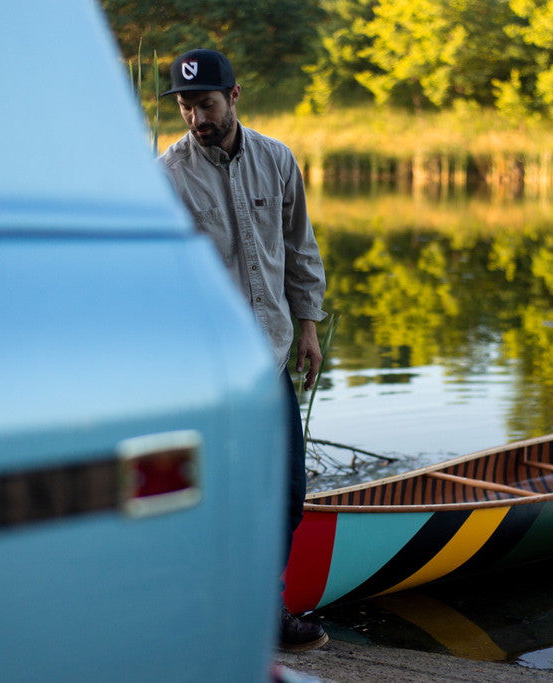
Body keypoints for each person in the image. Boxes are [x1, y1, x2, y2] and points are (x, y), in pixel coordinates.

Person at [157, 48, 329, 653]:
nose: (196, 117)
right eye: (185, 106)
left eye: (205, 103)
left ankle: (263, 608)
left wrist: (307, 323)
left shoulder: (278, 160)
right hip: (207, 372)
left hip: (272, 356)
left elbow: (299, 247)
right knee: (215, 492)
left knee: (285, 491)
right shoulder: (166, 176)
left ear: (234, 96)